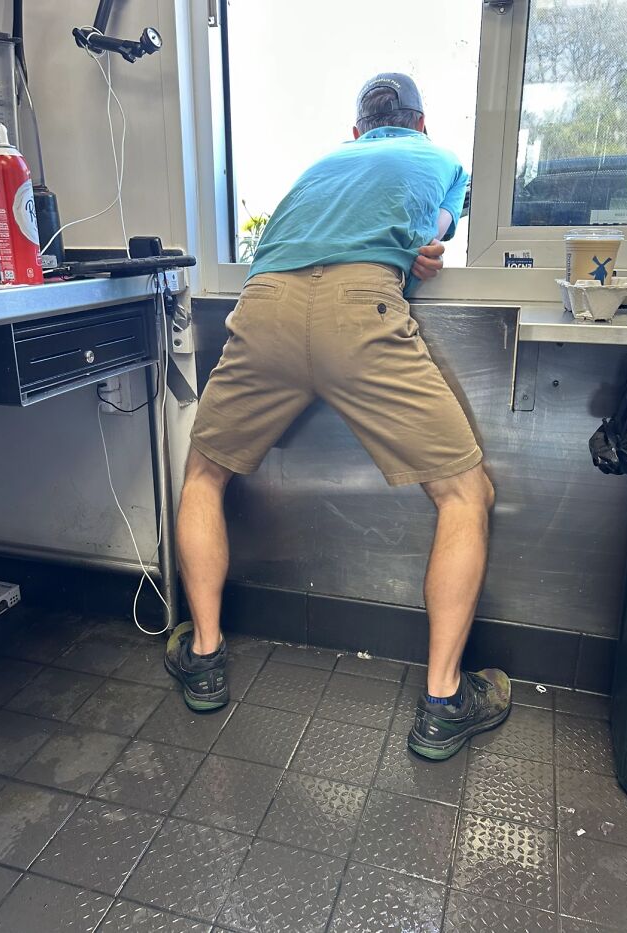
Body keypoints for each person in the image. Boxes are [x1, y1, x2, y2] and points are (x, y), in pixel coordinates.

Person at [166, 73, 511, 761]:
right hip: (362, 308)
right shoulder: (442, 160)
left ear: (356, 131)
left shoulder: (321, 166)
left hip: (265, 306)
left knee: (203, 475)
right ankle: (443, 703)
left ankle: (203, 657)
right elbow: (431, 238)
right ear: (420, 123)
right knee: (465, 494)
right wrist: (422, 247)